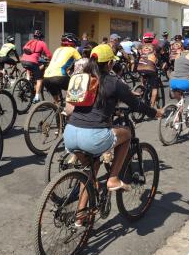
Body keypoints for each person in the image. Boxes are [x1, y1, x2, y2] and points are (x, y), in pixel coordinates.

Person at [63, 43, 163, 206]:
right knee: (126, 133)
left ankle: (80, 217)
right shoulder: (113, 81)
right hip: (92, 137)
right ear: (110, 63)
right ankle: (114, 178)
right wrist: (155, 112)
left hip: (70, 135)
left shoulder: (81, 78)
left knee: (91, 170)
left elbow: (72, 107)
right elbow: (136, 104)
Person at [43, 33, 81, 104]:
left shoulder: (57, 49)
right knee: (73, 88)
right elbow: (81, 62)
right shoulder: (73, 50)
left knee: (56, 102)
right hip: (59, 76)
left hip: (46, 77)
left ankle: (57, 108)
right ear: (73, 43)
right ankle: (72, 107)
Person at [21, 30, 52, 103]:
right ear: (41, 37)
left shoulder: (30, 42)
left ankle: (28, 80)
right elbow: (49, 55)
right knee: (39, 78)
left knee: (30, 66)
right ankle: (37, 97)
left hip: (23, 61)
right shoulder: (42, 43)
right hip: (33, 61)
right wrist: (52, 60)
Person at [136, 32, 160, 107]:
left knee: (143, 77)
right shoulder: (156, 46)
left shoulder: (140, 46)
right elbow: (158, 57)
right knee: (154, 88)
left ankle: (142, 88)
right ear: (152, 39)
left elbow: (138, 55)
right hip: (150, 68)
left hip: (140, 67)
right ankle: (152, 106)